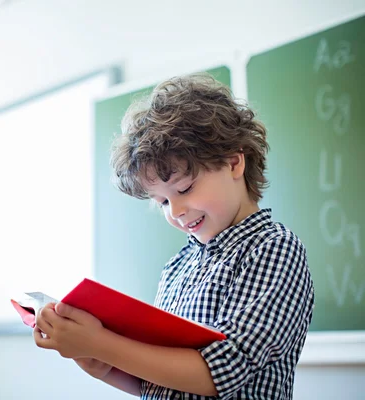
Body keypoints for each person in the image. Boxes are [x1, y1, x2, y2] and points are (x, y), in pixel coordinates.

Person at [33, 74, 314, 399]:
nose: (175, 210)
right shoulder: (177, 267)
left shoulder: (274, 248)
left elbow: (218, 373)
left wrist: (102, 344)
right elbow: (155, 380)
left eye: (184, 189)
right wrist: (97, 362)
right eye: (163, 201)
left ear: (234, 162)